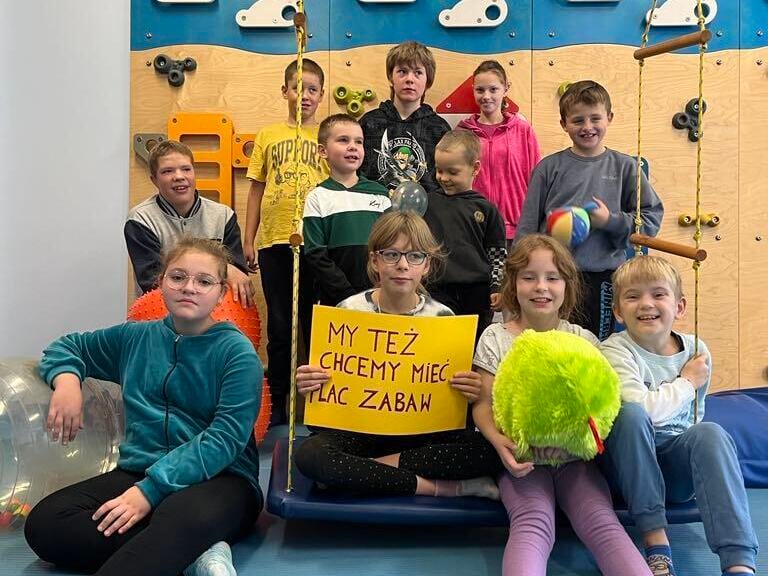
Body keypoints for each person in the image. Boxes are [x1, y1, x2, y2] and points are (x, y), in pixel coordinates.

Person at [24, 237, 264, 576]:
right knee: (46, 523)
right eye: (178, 277)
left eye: (204, 281)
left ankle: (176, 541)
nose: (189, 288)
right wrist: (66, 382)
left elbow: (224, 439)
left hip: (222, 478)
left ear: (221, 292)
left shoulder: (236, 353)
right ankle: (192, 553)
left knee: (178, 517)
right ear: (160, 282)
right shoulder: (135, 337)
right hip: (140, 469)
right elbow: (67, 347)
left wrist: (150, 492)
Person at [472, 234, 651, 576]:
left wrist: (585, 441)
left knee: (601, 522)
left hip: (575, 461)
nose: (541, 287)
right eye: (529, 277)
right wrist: (500, 444)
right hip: (521, 459)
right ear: (513, 284)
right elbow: (482, 403)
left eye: (552, 278)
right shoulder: (496, 337)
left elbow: (603, 402)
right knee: (533, 522)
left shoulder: (583, 340)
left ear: (567, 286)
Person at [293, 211, 503, 498]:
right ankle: (438, 488)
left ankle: (361, 471)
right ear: (374, 261)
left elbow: (454, 402)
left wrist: (470, 390)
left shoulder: (443, 318)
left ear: (426, 265)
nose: (403, 265)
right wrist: (310, 382)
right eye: (391, 254)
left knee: (487, 450)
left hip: (420, 436)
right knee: (311, 455)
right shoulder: (348, 311)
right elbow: (326, 404)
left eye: (414, 256)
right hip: (360, 433)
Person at [600, 255, 758, 576]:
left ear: (680, 306)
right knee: (631, 414)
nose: (647, 304)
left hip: (674, 472)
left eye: (658, 294)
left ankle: (739, 563)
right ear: (617, 311)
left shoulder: (696, 351)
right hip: (626, 470)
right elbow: (645, 412)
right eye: (633, 296)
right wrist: (686, 382)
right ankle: (656, 543)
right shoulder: (613, 350)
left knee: (710, 432)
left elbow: (693, 420)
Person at [516, 80, 664, 340]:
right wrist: (518, 272)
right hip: (552, 276)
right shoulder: (548, 168)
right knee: (550, 341)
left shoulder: (626, 167)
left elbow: (650, 219)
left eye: (595, 118)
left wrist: (609, 221)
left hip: (602, 278)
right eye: (578, 120)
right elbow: (527, 226)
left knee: (595, 345)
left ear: (609, 118)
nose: (587, 127)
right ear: (564, 124)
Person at [243, 58, 329, 425]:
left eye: (312, 90)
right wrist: (248, 239)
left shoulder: (327, 137)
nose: (304, 96)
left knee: (315, 324)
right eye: (298, 88)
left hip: (316, 243)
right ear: (285, 91)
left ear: (321, 95)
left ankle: (318, 404)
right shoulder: (268, 135)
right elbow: (256, 189)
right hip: (275, 241)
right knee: (280, 326)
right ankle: (278, 401)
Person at [124, 140, 254, 307]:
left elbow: (238, 277)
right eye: (167, 171)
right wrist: (223, 267)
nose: (179, 176)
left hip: (216, 313)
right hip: (162, 312)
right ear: (154, 180)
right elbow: (152, 281)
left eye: (186, 169)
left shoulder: (223, 216)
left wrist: (231, 270)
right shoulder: (140, 219)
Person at [423, 129, 506, 343]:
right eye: (439, 170)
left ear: (475, 168)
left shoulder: (486, 209)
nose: (443, 178)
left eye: (452, 172)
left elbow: (497, 254)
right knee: (439, 343)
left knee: (472, 345)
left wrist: (497, 286)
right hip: (436, 289)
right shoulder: (427, 203)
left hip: (477, 292)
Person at [303, 114, 391, 306]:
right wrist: (347, 295)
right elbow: (315, 254)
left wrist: (381, 287)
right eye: (343, 140)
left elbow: (391, 246)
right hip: (336, 298)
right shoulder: (317, 197)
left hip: (378, 295)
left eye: (359, 142)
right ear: (323, 151)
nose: (353, 146)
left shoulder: (381, 195)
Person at [457, 60, 541, 245]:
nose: (486, 96)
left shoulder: (523, 130)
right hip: (474, 228)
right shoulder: (462, 132)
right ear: (473, 90)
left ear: (506, 88)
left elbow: (536, 181)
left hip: (516, 231)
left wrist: (533, 224)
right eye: (480, 90)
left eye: (493, 89)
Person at [359, 41, 450, 193]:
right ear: (391, 77)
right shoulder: (369, 123)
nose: (410, 79)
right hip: (373, 205)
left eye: (418, 73)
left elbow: (447, 180)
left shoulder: (439, 129)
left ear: (428, 81)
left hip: (426, 207)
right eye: (402, 71)